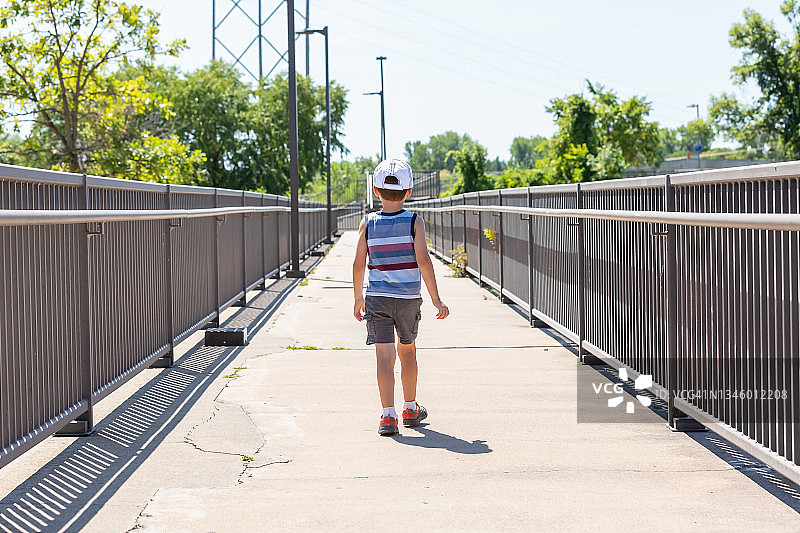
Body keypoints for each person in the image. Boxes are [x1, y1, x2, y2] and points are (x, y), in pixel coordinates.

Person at [352, 159, 450, 436]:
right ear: (408, 192)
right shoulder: (413, 221)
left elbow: (359, 264)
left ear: (375, 190)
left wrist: (358, 297)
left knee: (384, 356)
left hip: (377, 298)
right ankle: (409, 408)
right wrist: (436, 299)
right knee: (407, 351)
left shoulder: (368, 223)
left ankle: (387, 415)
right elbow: (423, 260)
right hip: (407, 298)